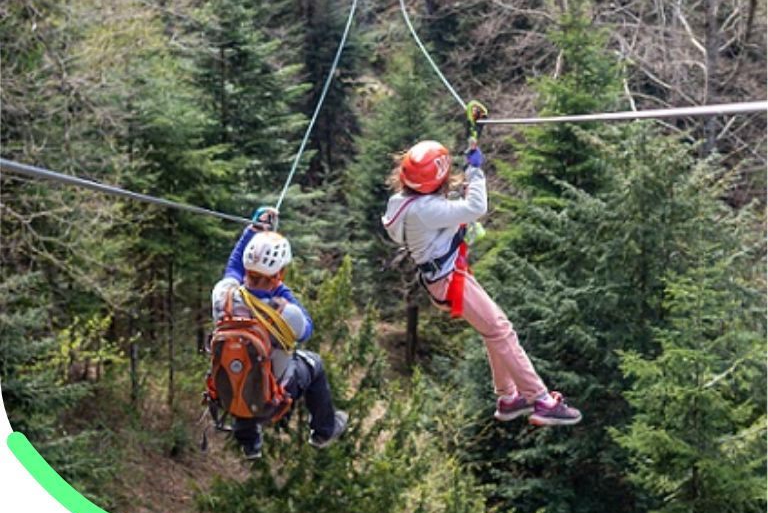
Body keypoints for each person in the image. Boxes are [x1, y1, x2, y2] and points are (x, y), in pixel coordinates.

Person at [382, 140, 582, 427]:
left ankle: (509, 398)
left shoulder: (403, 202)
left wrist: (467, 174)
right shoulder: (425, 209)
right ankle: (540, 400)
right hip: (450, 281)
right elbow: (476, 206)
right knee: (501, 331)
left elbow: (441, 206)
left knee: (495, 330)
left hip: (444, 278)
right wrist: (475, 172)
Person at [211, 217, 348, 459]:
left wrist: (250, 232)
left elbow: (232, 268)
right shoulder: (286, 312)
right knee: (314, 363)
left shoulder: (223, 297)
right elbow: (307, 329)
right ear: (279, 273)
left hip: (229, 394)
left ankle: (249, 442)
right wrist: (279, 289)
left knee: (242, 360)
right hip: (271, 401)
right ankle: (323, 431)